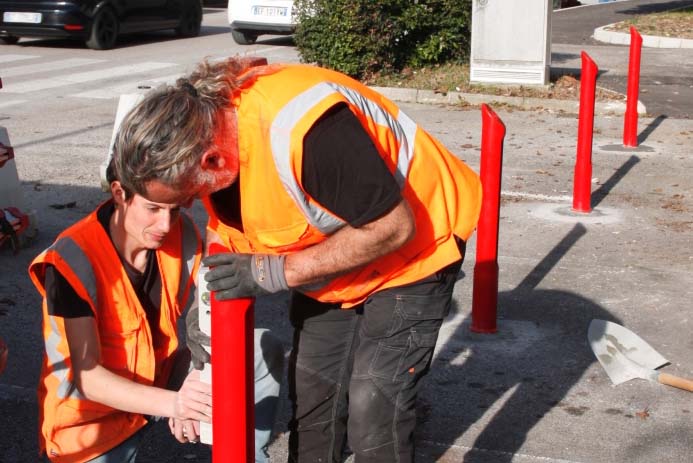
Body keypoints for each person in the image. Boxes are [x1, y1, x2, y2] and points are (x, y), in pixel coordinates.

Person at [112, 56, 482, 462]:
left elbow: (392, 227)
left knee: (375, 403)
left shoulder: (308, 132)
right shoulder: (204, 133)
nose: (182, 211)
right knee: (314, 397)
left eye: (183, 200)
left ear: (210, 161)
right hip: (335, 255)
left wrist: (275, 271)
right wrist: (205, 314)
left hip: (415, 248)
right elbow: (229, 224)